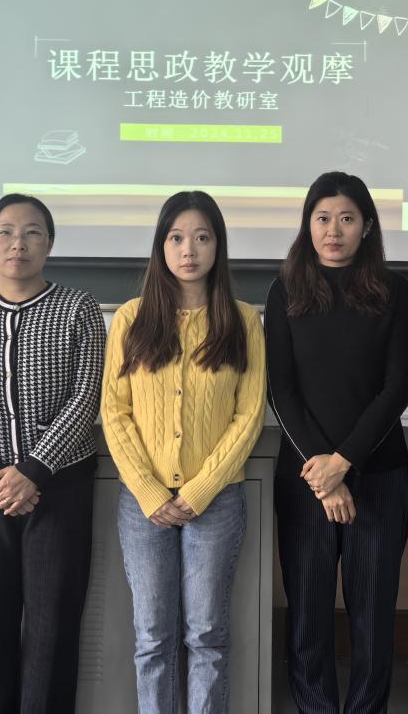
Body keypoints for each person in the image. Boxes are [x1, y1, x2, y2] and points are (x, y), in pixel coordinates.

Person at [0, 193, 105, 714]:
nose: (18, 243)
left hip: (59, 489)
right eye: (5, 232)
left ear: (49, 244)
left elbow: (87, 395)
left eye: (32, 232)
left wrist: (33, 472)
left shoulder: (78, 309)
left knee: (53, 623)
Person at [101, 190, 266, 714]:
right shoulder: (131, 319)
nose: (188, 250)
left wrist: (199, 490)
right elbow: (115, 413)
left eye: (201, 237)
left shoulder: (243, 321)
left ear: (218, 245)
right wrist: (150, 491)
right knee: (152, 637)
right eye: (176, 238)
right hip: (142, 504)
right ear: (161, 246)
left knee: (207, 635)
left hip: (215, 502)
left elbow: (248, 416)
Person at [266, 171, 408, 714]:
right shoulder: (285, 290)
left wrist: (344, 463)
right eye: (323, 218)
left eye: (347, 219)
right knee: (307, 617)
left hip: (379, 475)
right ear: (308, 225)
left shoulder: (394, 291)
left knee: (373, 617)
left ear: (367, 226)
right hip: (305, 481)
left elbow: (396, 389)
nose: (334, 230)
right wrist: (324, 474)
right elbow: (280, 389)